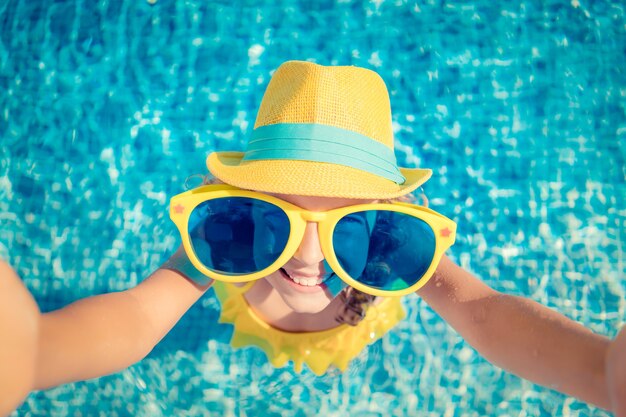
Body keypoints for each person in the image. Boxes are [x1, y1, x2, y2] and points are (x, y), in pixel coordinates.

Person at [1, 61, 624, 416]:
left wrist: (600, 369)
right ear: (248, 208)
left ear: (382, 220)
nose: (304, 256)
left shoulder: (396, 248)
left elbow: (487, 316)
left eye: (346, 226)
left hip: (352, 331)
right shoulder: (230, 236)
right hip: (252, 322)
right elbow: (140, 313)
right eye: (279, 216)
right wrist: (37, 353)